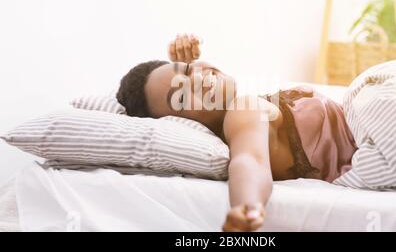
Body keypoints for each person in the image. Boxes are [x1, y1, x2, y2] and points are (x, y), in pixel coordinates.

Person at [116, 34, 357, 232]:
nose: (198, 77)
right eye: (180, 97)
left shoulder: (243, 108)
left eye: (188, 70)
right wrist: (246, 205)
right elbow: (250, 160)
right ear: (178, 123)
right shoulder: (241, 113)